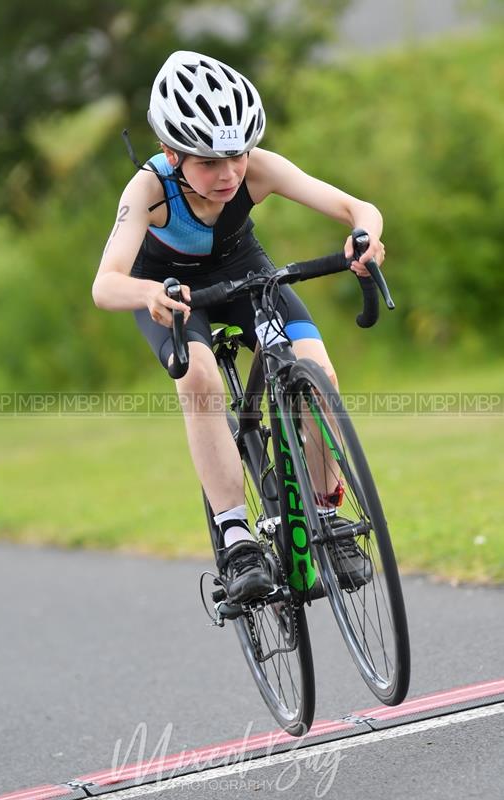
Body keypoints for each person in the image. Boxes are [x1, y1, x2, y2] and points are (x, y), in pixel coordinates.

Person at [92, 50, 385, 604]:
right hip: (169, 292)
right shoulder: (148, 191)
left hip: (241, 270)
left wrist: (365, 238)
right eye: (208, 162)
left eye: (237, 155)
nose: (227, 173)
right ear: (171, 153)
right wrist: (149, 293)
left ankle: (327, 512)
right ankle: (237, 537)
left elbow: (358, 207)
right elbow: (105, 284)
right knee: (199, 377)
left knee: (316, 375)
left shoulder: (261, 169)